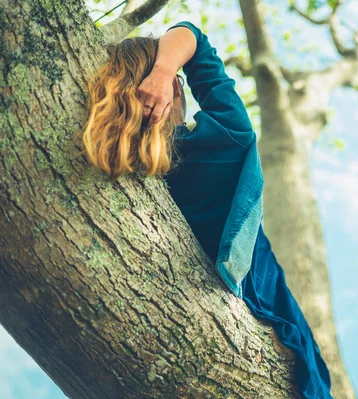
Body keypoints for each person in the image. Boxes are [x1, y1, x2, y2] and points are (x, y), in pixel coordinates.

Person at [77, 20, 333, 399]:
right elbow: (192, 34)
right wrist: (166, 69)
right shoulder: (226, 140)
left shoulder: (119, 159)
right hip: (273, 319)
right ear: (177, 88)